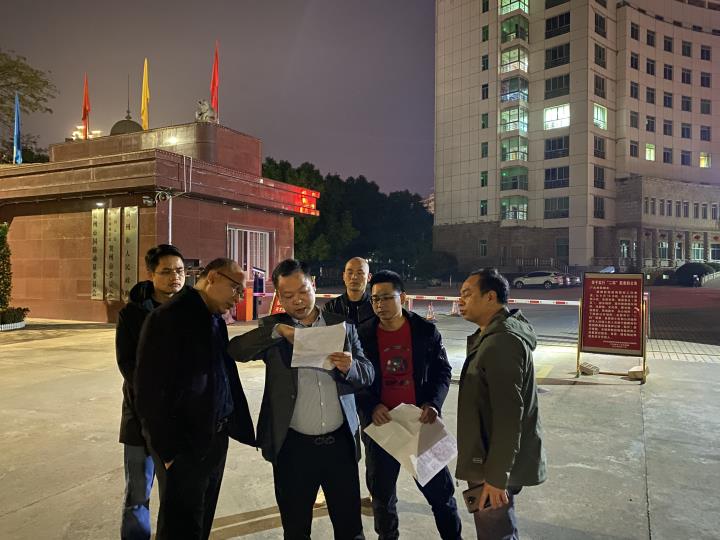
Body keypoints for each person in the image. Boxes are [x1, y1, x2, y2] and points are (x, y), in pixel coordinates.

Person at [228, 258, 374, 540]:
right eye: (288, 295)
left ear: (313, 286)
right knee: (295, 530)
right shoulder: (274, 329)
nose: (297, 300)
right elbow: (236, 350)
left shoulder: (341, 326)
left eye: (303, 291)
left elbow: (368, 373)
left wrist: (351, 367)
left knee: (350, 528)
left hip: (339, 446)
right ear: (278, 296)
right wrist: (279, 331)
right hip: (293, 448)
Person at [134, 258, 255, 540]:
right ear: (213, 277)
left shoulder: (214, 319)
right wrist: (168, 452)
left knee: (202, 520)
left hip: (215, 437)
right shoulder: (168, 319)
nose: (238, 298)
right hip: (185, 446)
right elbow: (150, 391)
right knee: (181, 527)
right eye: (236, 289)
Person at [356, 270, 461, 540]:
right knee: (382, 498)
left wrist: (433, 403)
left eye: (386, 298)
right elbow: (356, 379)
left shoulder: (425, 331)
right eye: (375, 299)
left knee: (441, 496)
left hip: (419, 423)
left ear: (402, 297)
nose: (380, 305)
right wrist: (372, 406)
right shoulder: (362, 334)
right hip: (382, 427)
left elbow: (442, 371)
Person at [456, 268, 547, 540]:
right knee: (498, 529)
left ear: (490, 297)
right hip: (490, 457)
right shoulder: (492, 336)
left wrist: (497, 477)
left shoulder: (501, 343)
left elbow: (509, 417)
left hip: (491, 465)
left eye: (467, 294)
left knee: (495, 532)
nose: (460, 300)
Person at [116, 244, 186, 539]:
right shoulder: (132, 314)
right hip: (140, 417)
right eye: (166, 271)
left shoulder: (193, 310)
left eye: (180, 271)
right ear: (151, 274)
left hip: (180, 421)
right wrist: (154, 401)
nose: (175, 277)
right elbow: (127, 364)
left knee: (177, 495)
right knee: (137, 493)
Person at [323, 256, 375, 326]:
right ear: (344, 276)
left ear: (369, 277)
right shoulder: (330, 307)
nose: (354, 277)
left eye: (359, 273)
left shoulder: (375, 307)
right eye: (350, 273)